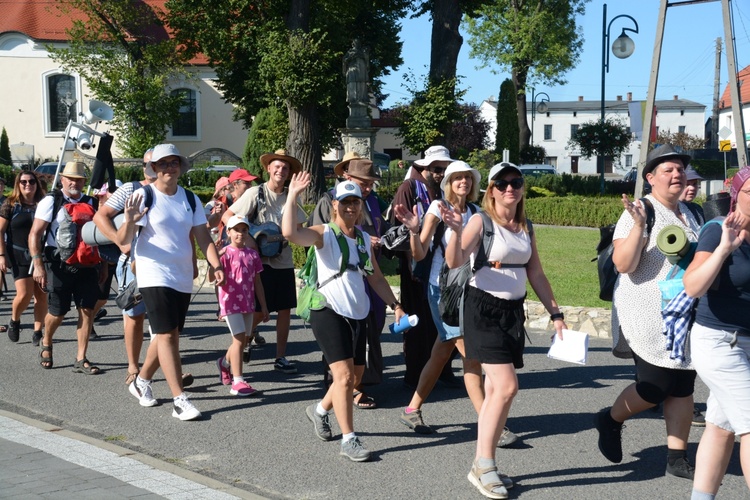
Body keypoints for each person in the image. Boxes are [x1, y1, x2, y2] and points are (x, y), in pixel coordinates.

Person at [442, 162, 566, 499]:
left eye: (516, 182)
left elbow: (536, 273)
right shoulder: (480, 221)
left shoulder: (527, 226)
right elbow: (454, 262)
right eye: (502, 183)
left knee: (499, 390)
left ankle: (483, 464)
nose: (509, 188)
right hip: (482, 309)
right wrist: (455, 230)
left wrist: (556, 312)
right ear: (491, 190)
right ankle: (484, 464)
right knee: (507, 387)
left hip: (512, 312)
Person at [282, 174, 407, 462]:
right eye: (346, 202)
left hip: (358, 312)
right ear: (335, 205)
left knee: (355, 378)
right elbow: (290, 233)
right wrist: (292, 196)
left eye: (356, 202)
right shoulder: (323, 233)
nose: (352, 207)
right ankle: (349, 439)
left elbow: (375, 277)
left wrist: (395, 305)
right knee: (344, 376)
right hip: (328, 310)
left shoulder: (363, 238)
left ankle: (318, 411)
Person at [594, 144, 701, 479]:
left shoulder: (693, 212)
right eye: (667, 169)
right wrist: (639, 226)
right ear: (651, 178)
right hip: (646, 313)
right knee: (655, 386)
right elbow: (623, 264)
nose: (677, 174)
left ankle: (677, 456)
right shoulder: (641, 211)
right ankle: (610, 419)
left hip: (684, 314)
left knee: (683, 385)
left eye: (680, 169)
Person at [116, 144, 224, 421]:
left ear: (180, 167)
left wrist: (216, 264)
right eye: (163, 164)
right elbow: (122, 240)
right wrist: (129, 222)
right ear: (154, 168)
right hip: (153, 272)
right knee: (164, 335)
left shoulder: (190, 199)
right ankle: (180, 400)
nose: (168, 168)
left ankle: (141, 381)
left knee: (170, 333)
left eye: (173, 163)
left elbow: (202, 237)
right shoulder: (144, 194)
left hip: (181, 275)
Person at [393, 161, 483, 433]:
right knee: (471, 355)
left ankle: (412, 409)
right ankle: (491, 420)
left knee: (441, 352)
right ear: (449, 183)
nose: (463, 182)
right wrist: (413, 229)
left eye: (468, 178)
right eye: (458, 178)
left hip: (470, 289)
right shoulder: (437, 208)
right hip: (442, 289)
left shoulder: (477, 212)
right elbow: (419, 253)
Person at [684, 166, 750, 499]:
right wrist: (725, 248)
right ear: (738, 195)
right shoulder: (716, 230)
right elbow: (693, 286)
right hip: (719, 343)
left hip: (748, 343)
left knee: (720, 427)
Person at [308, 152, 388, 408]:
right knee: (338, 340)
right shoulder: (328, 201)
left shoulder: (373, 201)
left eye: (369, 183)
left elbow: (378, 231)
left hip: (363, 276)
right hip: (334, 282)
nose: (366, 188)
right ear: (346, 176)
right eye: (362, 182)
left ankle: (355, 384)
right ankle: (342, 389)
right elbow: (322, 236)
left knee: (366, 332)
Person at [221, 149, 307, 374]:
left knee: (285, 309)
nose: (281, 171)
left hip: (283, 258)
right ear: (268, 168)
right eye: (277, 166)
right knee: (259, 311)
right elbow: (227, 216)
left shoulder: (291, 195)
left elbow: (298, 227)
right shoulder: (255, 193)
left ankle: (280, 356)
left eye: (285, 168)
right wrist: (248, 240)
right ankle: (238, 346)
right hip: (258, 262)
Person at [389, 145, 459, 389]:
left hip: (438, 267)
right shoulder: (409, 188)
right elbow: (396, 227)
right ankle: (415, 375)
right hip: (414, 268)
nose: (441, 173)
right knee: (418, 323)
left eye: (444, 169)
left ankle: (443, 370)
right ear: (424, 168)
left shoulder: (441, 192)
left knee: (441, 320)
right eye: (437, 168)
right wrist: (413, 250)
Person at [28, 161, 103, 373]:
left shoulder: (91, 202)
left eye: (79, 179)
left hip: (87, 264)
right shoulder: (51, 201)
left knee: (87, 310)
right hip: (58, 263)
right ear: (62, 180)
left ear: (84, 182)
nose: (74, 183)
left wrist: (103, 265)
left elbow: (99, 236)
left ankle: (81, 358)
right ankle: (47, 340)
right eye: (70, 178)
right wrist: (38, 264)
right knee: (58, 312)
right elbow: (34, 234)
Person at [216, 215, 269, 396]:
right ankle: (237, 381)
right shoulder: (224, 254)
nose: (240, 234)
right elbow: (211, 278)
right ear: (228, 232)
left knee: (244, 340)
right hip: (230, 302)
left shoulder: (252, 254)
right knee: (239, 339)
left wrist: (263, 306)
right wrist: (214, 260)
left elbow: (258, 282)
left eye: (244, 230)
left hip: (247, 302)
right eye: (236, 230)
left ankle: (224, 363)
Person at [0, 170, 47, 344]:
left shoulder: (43, 203)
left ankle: (37, 331)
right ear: (18, 184)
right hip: (18, 254)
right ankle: (15, 320)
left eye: (32, 182)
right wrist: (1, 255)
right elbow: (0, 231)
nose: (28, 185)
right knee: (24, 294)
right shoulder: (11, 204)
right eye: (24, 182)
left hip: (42, 256)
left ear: (37, 184)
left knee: (41, 296)